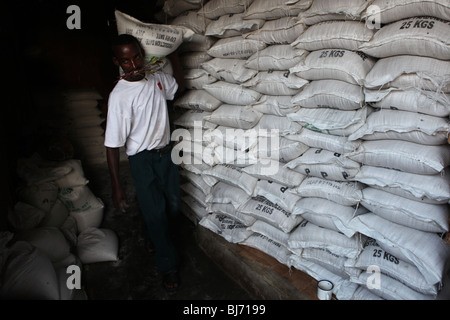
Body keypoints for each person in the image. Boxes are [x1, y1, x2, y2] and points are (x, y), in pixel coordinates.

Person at [104, 33, 184, 295]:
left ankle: (152, 233)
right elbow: (112, 145)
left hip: (167, 155)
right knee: (157, 214)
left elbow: (177, 88)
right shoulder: (119, 96)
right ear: (118, 61)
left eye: (137, 56)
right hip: (142, 161)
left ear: (142, 53)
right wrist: (116, 186)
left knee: (172, 206)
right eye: (126, 61)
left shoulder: (157, 78)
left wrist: (173, 54)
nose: (134, 64)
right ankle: (168, 266)